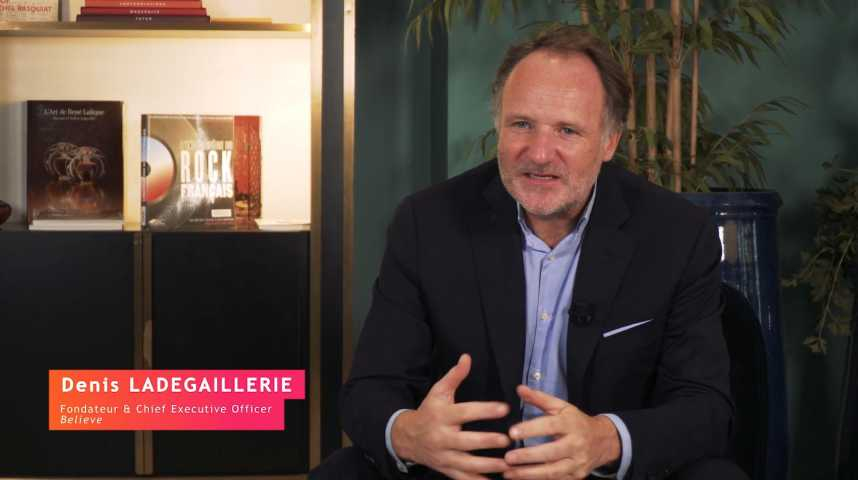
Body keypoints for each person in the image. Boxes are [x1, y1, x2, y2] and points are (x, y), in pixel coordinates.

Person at [315, 25, 746, 480]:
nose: (539, 154)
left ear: (609, 142)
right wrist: (408, 434)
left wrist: (605, 440)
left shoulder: (676, 234)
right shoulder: (427, 223)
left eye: (567, 130)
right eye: (522, 124)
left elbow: (705, 406)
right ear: (498, 125)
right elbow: (369, 389)